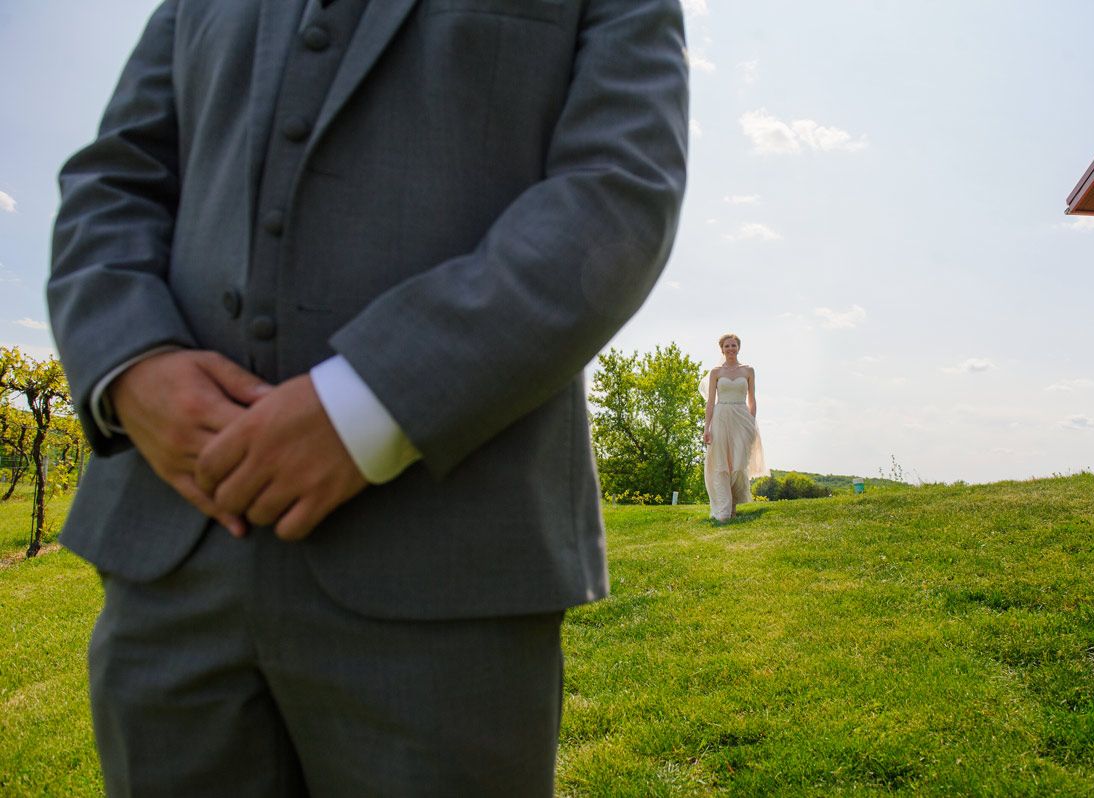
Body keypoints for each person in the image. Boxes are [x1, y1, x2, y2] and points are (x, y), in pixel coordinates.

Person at [46, 0, 688, 794]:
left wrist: (374, 404)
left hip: (447, 567)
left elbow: (616, 194)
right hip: (172, 562)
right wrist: (130, 360)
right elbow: (113, 178)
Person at [703, 333, 767, 522]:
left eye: (733, 345)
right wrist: (707, 428)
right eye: (727, 346)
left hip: (742, 418)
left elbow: (752, 399)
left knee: (739, 465)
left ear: (738, 348)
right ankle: (724, 509)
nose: (730, 349)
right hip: (721, 418)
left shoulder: (748, 370)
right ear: (721, 349)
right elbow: (710, 402)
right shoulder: (715, 372)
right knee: (722, 464)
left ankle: (734, 504)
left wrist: (751, 421)